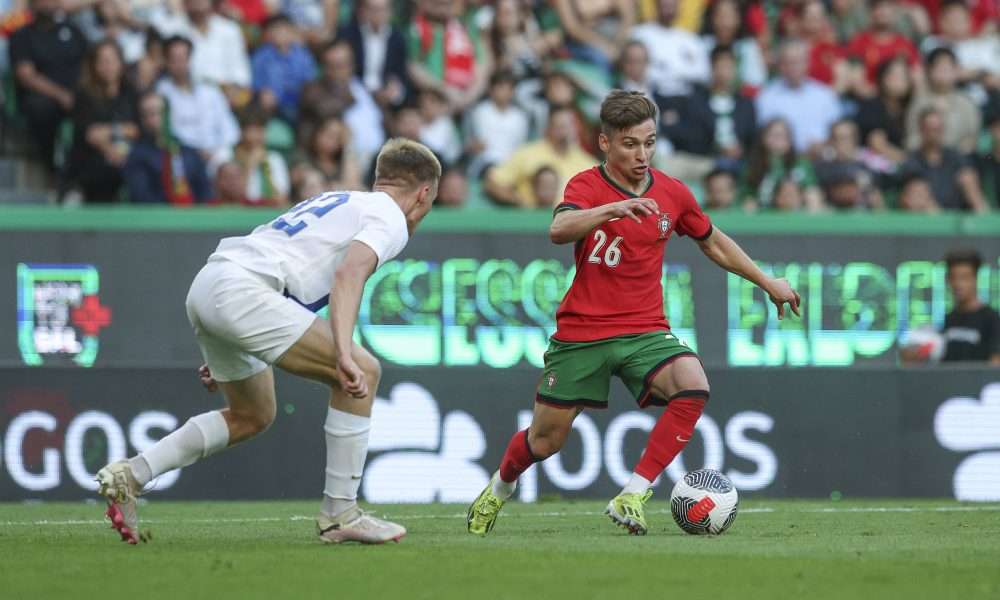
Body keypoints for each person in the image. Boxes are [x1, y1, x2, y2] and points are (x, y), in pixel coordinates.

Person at [466, 90, 800, 537]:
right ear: (605, 143)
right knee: (546, 440)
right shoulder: (585, 185)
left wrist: (767, 281)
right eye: (630, 144)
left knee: (693, 384)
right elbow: (559, 228)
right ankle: (499, 488)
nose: (642, 154)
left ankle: (634, 492)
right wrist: (612, 209)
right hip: (583, 332)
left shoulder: (673, 193)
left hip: (644, 329)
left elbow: (713, 241)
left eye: (649, 142)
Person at [97, 138, 442, 545]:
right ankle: (340, 513)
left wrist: (235, 333)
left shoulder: (341, 200)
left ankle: (130, 475)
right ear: (423, 193)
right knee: (363, 369)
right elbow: (350, 275)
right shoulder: (389, 216)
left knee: (252, 413)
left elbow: (288, 265)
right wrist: (344, 353)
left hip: (212, 284)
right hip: (245, 293)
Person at [9, 0, 89, 170]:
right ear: (32, 5)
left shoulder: (73, 31)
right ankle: (48, 167)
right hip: (44, 99)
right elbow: (26, 76)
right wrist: (61, 95)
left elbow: (89, 65)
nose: (50, 4)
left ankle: (82, 171)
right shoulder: (22, 36)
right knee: (41, 108)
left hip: (76, 96)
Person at [484, 105, 597, 208]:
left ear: (576, 129)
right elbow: (493, 183)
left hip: (572, 225)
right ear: (549, 128)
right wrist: (518, 202)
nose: (564, 132)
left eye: (568, 126)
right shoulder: (526, 153)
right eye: (559, 126)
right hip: (530, 223)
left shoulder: (589, 164)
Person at [70, 39, 139, 203]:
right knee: (102, 170)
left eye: (112, 60)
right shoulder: (84, 95)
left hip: (130, 153)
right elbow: (90, 135)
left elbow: (137, 129)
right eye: (102, 61)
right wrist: (114, 143)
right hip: (93, 156)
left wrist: (107, 132)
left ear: (121, 63)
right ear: (94, 66)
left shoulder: (131, 92)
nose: (107, 66)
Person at [901, 250, 1000, 364]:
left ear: (975, 279)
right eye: (953, 277)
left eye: (964, 277)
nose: (958, 284)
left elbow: (996, 365)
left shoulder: (991, 319)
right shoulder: (948, 320)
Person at [299, 40, 385, 170]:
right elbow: (323, 109)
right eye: (334, 65)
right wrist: (344, 94)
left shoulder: (360, 87)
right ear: (325, 68)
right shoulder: (315, 90)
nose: (341, 70)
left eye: (345, 64)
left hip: (378, 158)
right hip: (343, 162)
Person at [155, 35, 240, 164]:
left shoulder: (210, 89)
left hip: (216, 154)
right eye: (174, 59)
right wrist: (194, 152)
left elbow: (229, 129)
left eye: (184, 58)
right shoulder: (161, 92)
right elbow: (168, 133)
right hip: (182, 155)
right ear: (166, 61)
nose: (180, 64)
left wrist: (216, 150)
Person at [123, 91, 212, 204]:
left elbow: (205, 194)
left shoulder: (190, 153)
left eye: (157, 112)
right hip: (159, 218)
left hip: (193, 218)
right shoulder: (137, 156)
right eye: (145, 114)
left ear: (169, 114)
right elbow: (142, 198)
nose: (151, 120)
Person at [755, 38, 841, 154]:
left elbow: (838, 133)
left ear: (808, 63)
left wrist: (824, 145)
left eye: (799, 62)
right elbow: (764, 138)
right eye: (789, 62)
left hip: (823, 160)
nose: (794, 67)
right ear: (780, 65)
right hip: (784, 161)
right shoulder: (767, 97)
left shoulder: (825, 95)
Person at [900, 107, 989, 212]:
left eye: (938, 129)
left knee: (968, 178)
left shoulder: (955, 156)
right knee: (917, 190)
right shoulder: (913, 159)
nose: (935, 134)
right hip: (927, 216)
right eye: (930, 129)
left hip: (957, 211)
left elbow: (969, 181)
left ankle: (985, 220)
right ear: (921, 130)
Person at [905, 47, 981, 155]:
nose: (944, 73)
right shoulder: (920, 101)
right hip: (925, 161)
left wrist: (953, 157)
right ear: (929, 71)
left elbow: (973, 137)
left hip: (959, 160)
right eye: (939, 68)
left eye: (948, 68)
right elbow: (912, 138)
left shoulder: (966, 102)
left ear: (956, 70)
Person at [337, 0, 410, 109]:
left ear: (390, 12)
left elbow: (400, 74)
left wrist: (394, 90)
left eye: (382, 10)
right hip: (353, 96)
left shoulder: (397, 39)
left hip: (385, 99)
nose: (377, 14)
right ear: (362, 11)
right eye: (373, 9)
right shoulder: (347, 35)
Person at [630, 0, 709, 98]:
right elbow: (635, 70)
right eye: (665, 5)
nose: (668, 9)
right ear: (656, 5)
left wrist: (668, 70)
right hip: (651, 95)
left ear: (679, 6)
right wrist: (682, 71)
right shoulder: (640, 34)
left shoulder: (691, 39)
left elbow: (703, 73)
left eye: (672, 5)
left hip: (686, 98)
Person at [216, 108, 291, 207]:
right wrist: (250, 166)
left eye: (259, 130)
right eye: (251, 131)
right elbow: (230, 195)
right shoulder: (225, 155)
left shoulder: (274, 158)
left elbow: (281, 199)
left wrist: (265, 168)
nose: (255, 137)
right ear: (241, 131)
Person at [251, 13, 317, 124]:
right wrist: (262, 93)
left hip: (299, 101)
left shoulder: (303, 56)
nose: (279, 34)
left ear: (292, 32)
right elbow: (256, 84)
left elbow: (310, 81)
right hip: (273, 104)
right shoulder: (261, 56)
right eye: (275, 30)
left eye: (283, 30)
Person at [464, 69, 529, 178]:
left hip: (511, 166)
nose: (504, 92)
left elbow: (520, 147)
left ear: (513, 91)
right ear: (491, 89)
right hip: (484, 164)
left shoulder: (520, 118)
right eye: (500, 87)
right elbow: (471, 143)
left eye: (508, 88)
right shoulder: (479, 112)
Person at [853, 56, 914, 166]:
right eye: (895, 75)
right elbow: (877, 144)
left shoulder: (910, 107)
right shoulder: (872, 106)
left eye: (904, 75)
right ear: (882, 78)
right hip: (874, 166)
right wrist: (910, 161)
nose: (899, 80)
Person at [845, 0, 920, 88]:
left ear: (895, 11)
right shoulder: (858, 43)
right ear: (870, 11)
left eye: (887, 6)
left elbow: (917, 77)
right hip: (867, 99)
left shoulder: (906, 45)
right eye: (878, 7)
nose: (883, 11)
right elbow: (852, 78)